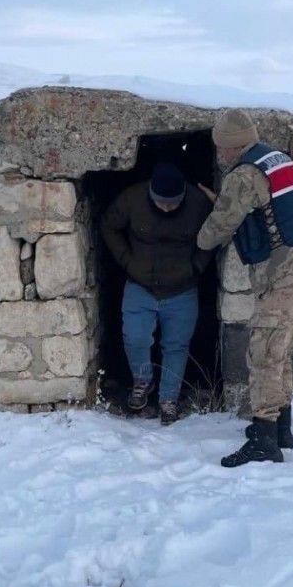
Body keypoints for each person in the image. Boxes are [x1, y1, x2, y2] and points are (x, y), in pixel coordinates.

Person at [197, 109, 293, 467]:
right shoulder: (277, 159)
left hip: (281, 274)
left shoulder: (244, 175)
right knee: (280, 349)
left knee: (264, 353)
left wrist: (198, 239)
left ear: (232, 146)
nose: (219, 154)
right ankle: (281, 428)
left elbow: (220, 226)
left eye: (221, 147)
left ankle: (264, 440)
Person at [101, 162, 212, 425]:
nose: (166, 208)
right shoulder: (132, 199)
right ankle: (142, 381)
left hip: (182, 288)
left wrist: (197, 267)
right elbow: (108, 225)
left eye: (172, 203)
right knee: (135, 338)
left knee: (176, 346)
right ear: (151, 192)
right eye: (161, 202)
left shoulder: (198, 204)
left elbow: (215, 232)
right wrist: (126, 261)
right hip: (140, 285)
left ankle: (168, 399)